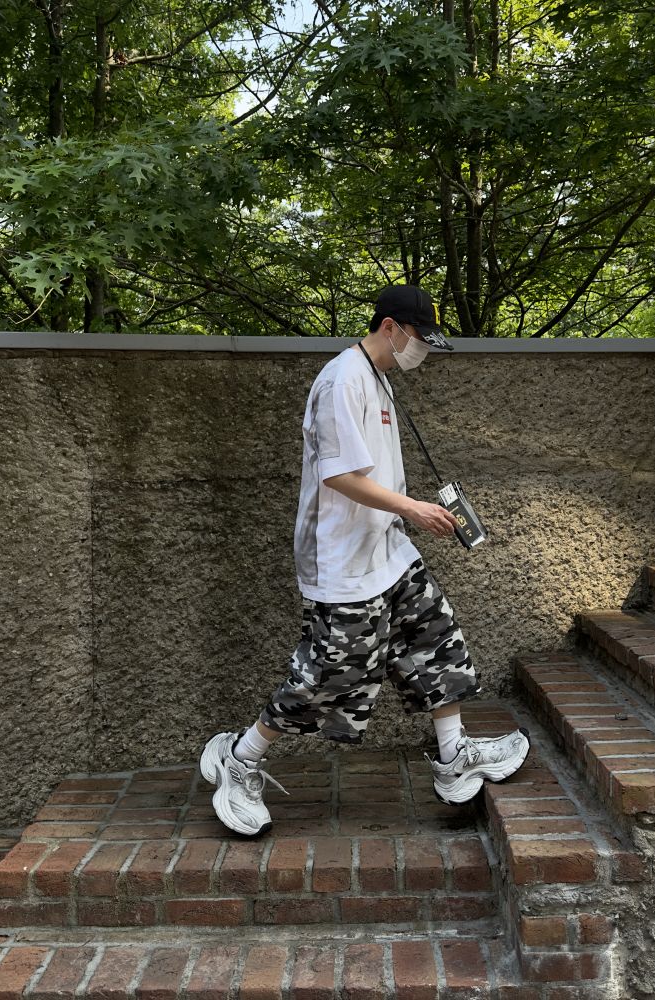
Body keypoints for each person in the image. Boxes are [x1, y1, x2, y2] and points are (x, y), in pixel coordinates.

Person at [200, 285, 530, 836]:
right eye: (419, 336)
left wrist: (404, 515)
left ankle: (454, 755)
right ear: (389, 327)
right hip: (341, 557)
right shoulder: (342, 379)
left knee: (434, 635)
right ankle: (240, 757)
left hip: (386, 547)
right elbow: (338, 475)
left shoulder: (378, 378)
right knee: (334, 670)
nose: (423, 348)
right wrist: (413, 508)